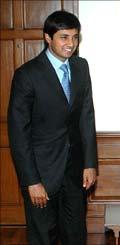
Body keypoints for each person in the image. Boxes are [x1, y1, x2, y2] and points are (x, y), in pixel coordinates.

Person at [8, 10, 97, 245]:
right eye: (64, 37)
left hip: (75, 172)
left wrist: (89, 163)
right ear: (48, 37)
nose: (71, 44)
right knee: (43, 236)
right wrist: (31, 181)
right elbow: (18, 134)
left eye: (75, 37)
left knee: (76, 234)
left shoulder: (81, 67)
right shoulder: (26, 75)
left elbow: (86, 117)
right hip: (42, 173)